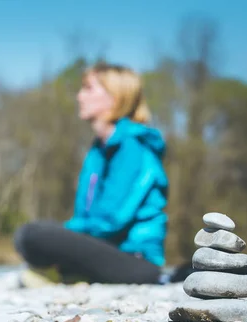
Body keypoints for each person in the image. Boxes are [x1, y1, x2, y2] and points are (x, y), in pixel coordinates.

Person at [14, 62, 170, 287]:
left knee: (33, 234)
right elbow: (90, 217)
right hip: (108, 249)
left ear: (115, 97)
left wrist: (64, 233)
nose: (79, 96)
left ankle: (65, 273)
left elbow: (111, 220)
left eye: (88, 88)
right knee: (32, 236)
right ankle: (67, 274)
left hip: (136, 261)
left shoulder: (132, 148)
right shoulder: (98, 151)